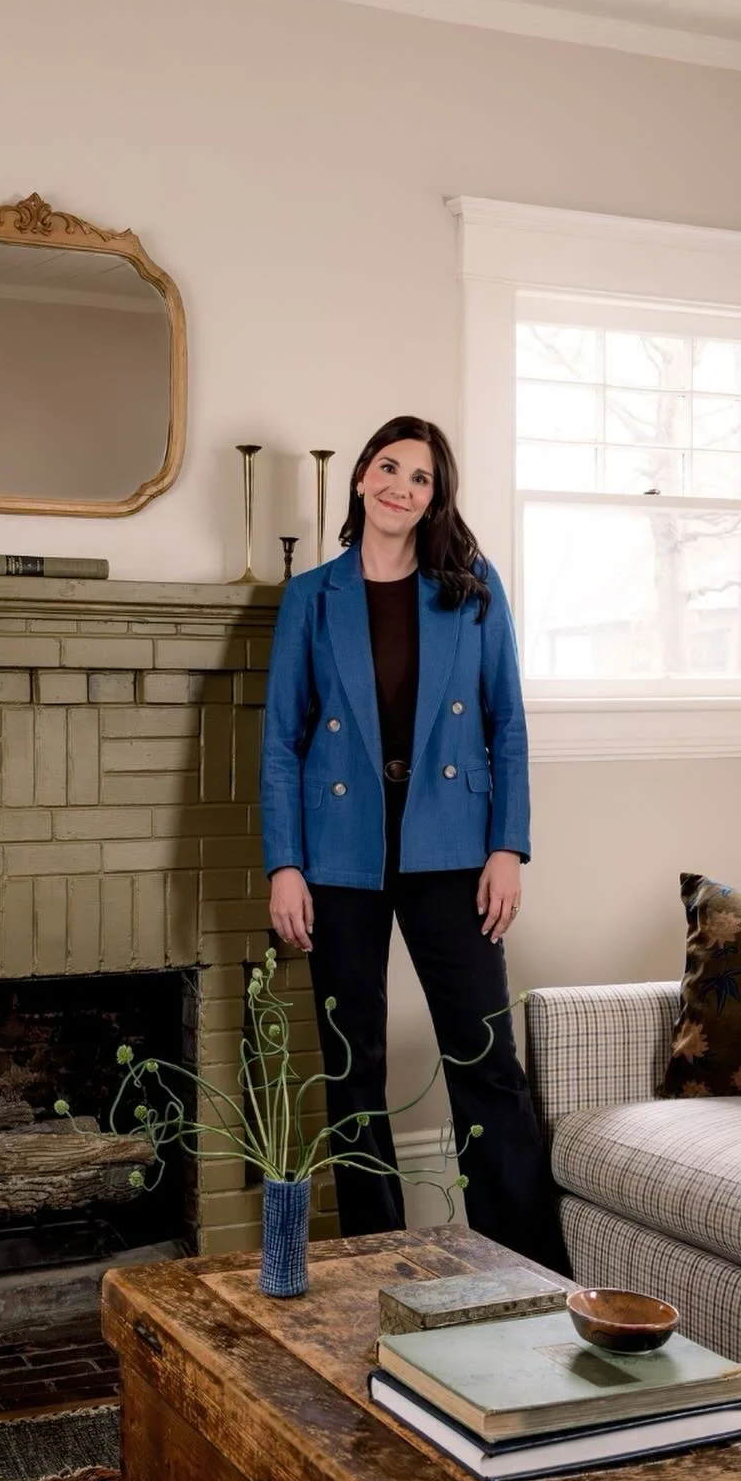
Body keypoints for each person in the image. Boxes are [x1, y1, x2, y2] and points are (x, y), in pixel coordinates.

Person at [260, 414, 568, 1273]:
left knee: (484, 1059)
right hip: (339, 853)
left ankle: (526, 1268)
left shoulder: (471, 588)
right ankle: (375, 1262)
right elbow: (281, 740)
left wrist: (508, 846)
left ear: (437, 497)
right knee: (351, 1071)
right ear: (361, 477)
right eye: (389, 467)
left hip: (455, 847)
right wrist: (284, 863)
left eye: (422, 477)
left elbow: (507, 723)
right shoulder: (312, 597)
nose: (402, 485)